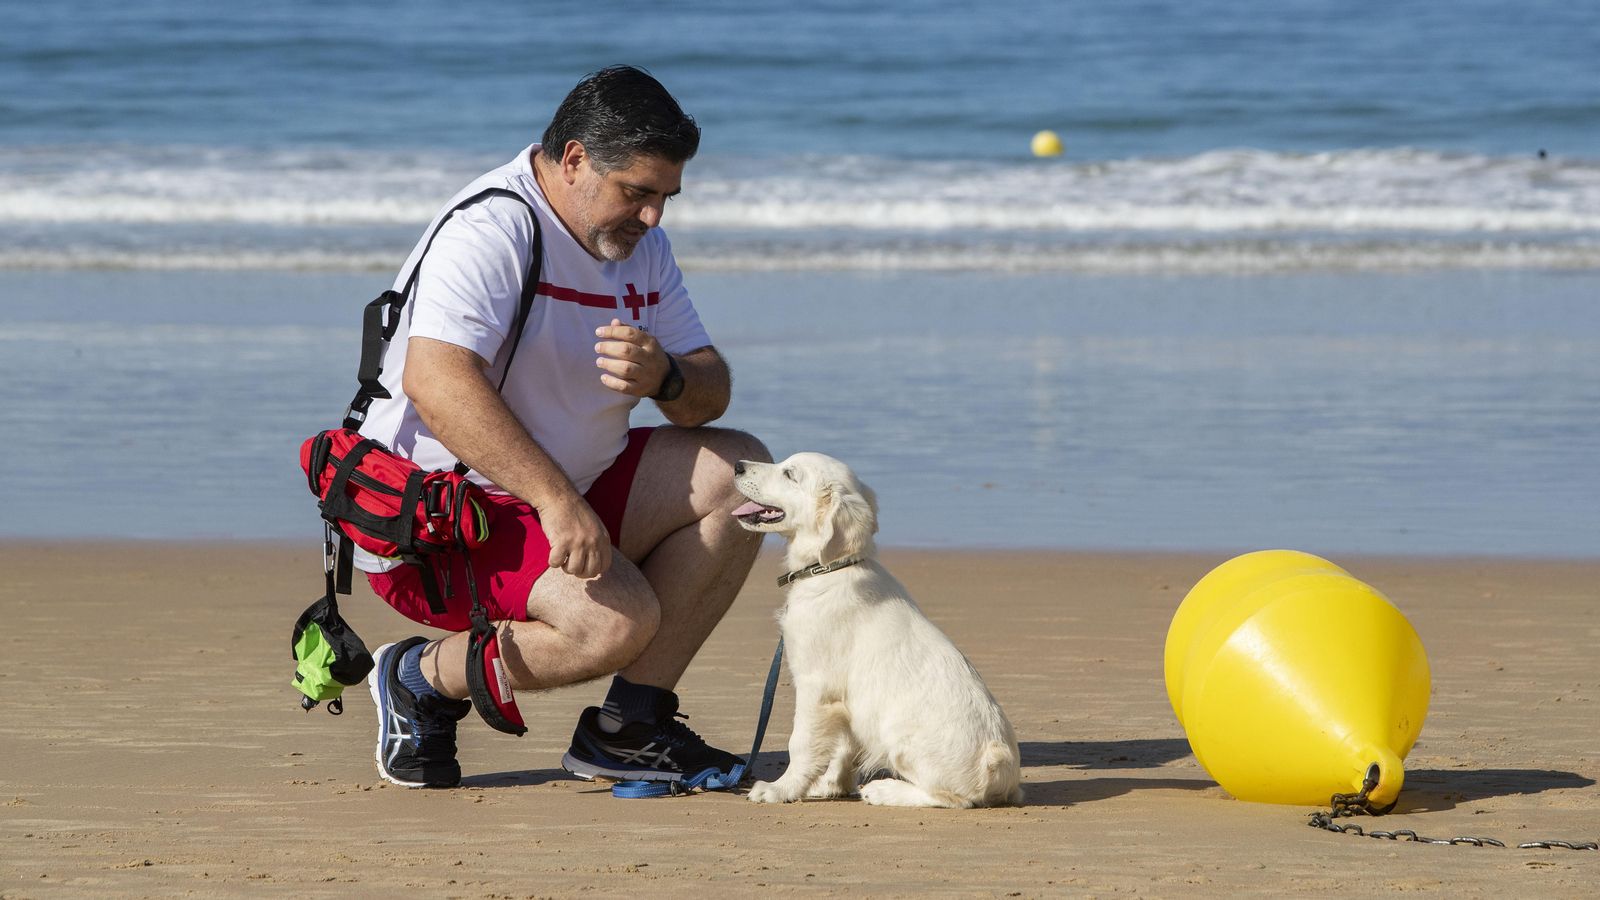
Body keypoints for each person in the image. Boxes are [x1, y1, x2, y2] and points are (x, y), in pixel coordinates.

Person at [354, 65, 770, 789]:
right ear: (574, 159)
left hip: (572, 490)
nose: (653, 218)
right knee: (616, 623)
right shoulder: (493, 228)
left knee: (746, 478)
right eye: (637, 193)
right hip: (444, 523)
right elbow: (436, 382)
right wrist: (556, 502)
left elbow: (708, 395)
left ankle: (629, 731)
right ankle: (417, 677)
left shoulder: (641, 246)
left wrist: (668, 377)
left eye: (665, 198)